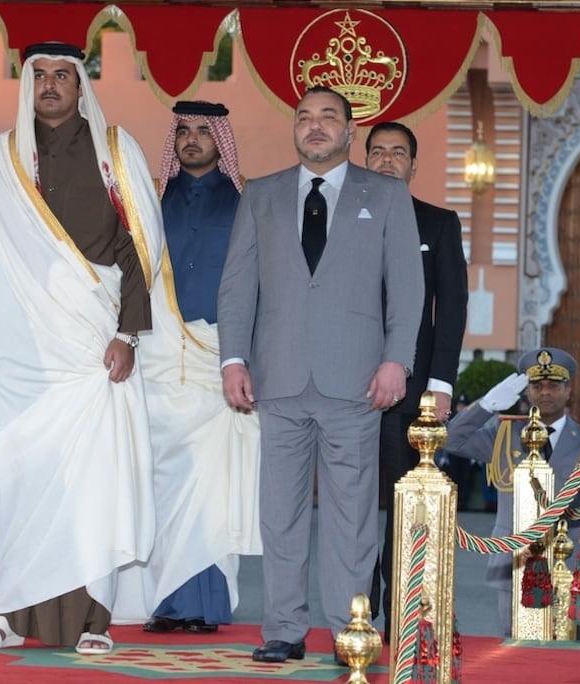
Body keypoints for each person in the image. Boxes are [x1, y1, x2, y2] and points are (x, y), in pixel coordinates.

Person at [0, 40, 163, 654]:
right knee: (18, 480)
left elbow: (139, 250)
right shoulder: (0, 159)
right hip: (19, 353)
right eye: (39, 75)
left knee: (90, 482)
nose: (49, 85)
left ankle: (95, 622)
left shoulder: (115, 153)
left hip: (92, 346)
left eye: (61, 76)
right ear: (27, 85)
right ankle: (7, 614)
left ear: (80, 85)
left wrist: (127, 334)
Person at [217, 86, 423, 663]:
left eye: (328, 117)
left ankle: (349, 628)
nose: (315, 126)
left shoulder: (384, 195)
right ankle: (282, 629)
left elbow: (408, 288)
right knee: (278, 515)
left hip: (356, 380)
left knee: (352, 517)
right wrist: (233, 358)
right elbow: (237, 287)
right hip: (275, 379)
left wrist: (396, 360)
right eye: (305, 117)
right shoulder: (260, 194)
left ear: (350, 130)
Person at [138, 100, 261, 636]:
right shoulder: (150, 201)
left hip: (219, 360)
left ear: (221, 140)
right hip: (157, 361)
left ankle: (205, 606)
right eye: (183, 131)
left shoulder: (248, 202)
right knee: (162, 484)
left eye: (204, 132)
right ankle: (165, 603)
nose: (192, 139)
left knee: (210, 485)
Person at [363, 121, 468, 634]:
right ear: (364, 159)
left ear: (413, 164)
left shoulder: (438, 223)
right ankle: (355, 612)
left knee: (401, 509)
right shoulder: (340, 220)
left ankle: (399, 615)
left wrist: (441, 385)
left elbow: (450, 308)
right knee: (351, 507)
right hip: (343, 390)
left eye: (397, 153)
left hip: (410, 392)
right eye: (377, 152)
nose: (386, 160)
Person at [442, 347, 580, 637]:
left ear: (568, 390)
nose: (545, 392)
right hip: (514, 557)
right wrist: (488, 404)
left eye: (554, 385)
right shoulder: (503, 433)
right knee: (513, 653)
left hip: (566, 559)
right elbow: (450, 440)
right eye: (537, 386)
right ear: (527, 393)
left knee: (564, 652)